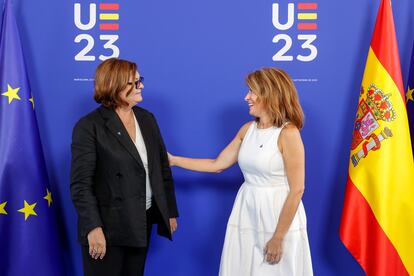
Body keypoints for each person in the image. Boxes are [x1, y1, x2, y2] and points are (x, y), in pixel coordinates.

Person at [169, 68, 313, 275]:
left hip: (278, 215)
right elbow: (217, 164)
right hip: (247, 210)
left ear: (269, 93)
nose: (247, 97)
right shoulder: (247, 129)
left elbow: (297, 189)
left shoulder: (288, 133)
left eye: (252, 91)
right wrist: (173, 160)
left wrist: (278, 237)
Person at [70, 58, 179, 276]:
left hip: (141, 220)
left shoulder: (147, 119)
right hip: (107, 226)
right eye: (134, 83)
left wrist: (169, 210)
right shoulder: (89, 126)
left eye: (140, 81)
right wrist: (93, 227)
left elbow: (161, 169)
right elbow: (81, 185)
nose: (142, 86)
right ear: (115, 86)